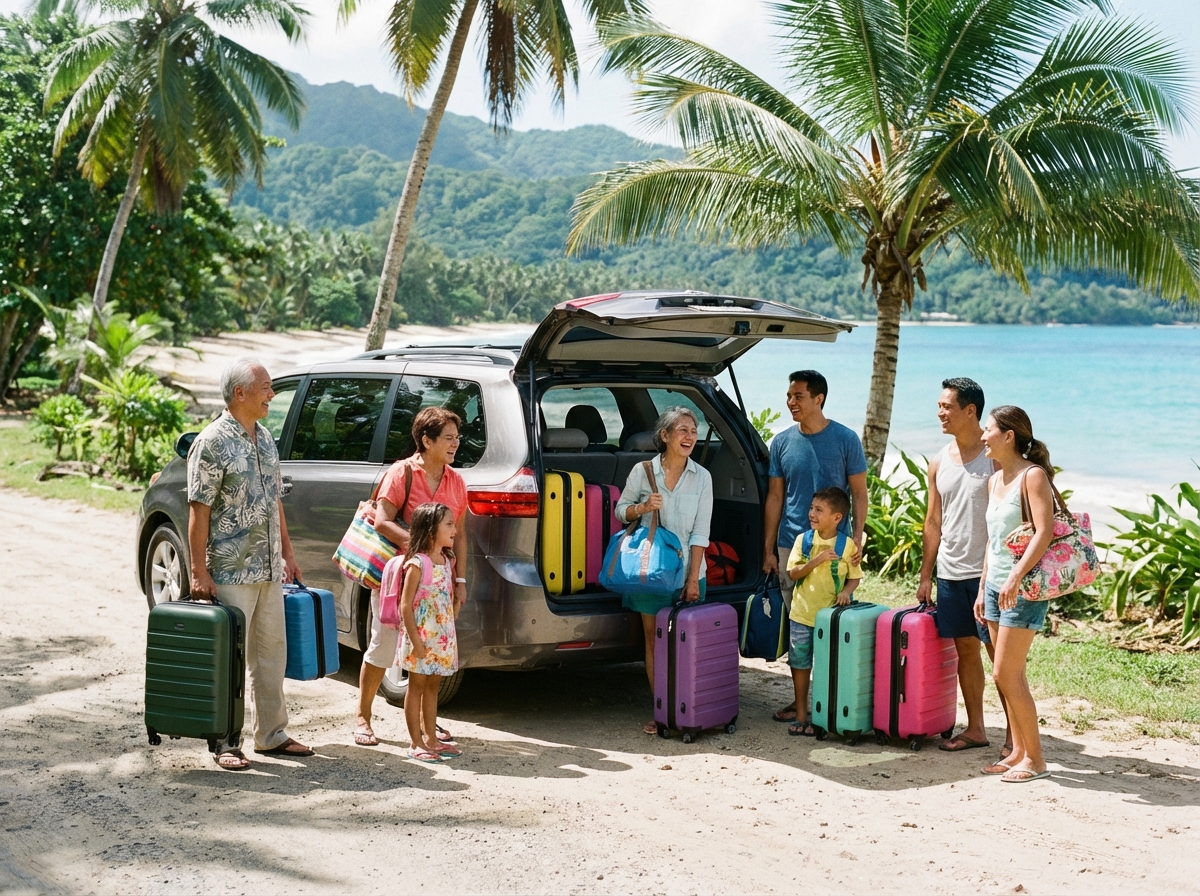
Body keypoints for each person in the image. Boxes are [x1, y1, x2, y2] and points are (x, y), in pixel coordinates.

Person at [187, 357, 312, 771]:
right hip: (231, 570)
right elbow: (198, 510)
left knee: (271, 655)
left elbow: (275, 501)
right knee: (231, 660)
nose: (272, 395)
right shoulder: (211, 442)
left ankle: (271, 735)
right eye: (265, 388)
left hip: (268, 569)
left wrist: (288, 555)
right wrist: (198, 571)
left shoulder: (266, 438)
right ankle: (225, 741)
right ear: (239, 393)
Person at [353, 407, 468, 747]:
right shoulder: (402, 472)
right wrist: (422, 547)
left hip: (437, 584)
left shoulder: (456, 481)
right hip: (401, 577)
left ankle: (425, 724)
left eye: (457, 438)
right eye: (448, 438)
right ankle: (363, 716)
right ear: (426, 440)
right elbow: (382, 521)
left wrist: (460, 581)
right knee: (383, 645)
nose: (455, 444)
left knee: (429, 652)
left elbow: (460, 535)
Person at [915, 378, 1011, 755]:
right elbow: (933, 521)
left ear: (970, 411)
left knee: (1000, 658)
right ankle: (976, 729)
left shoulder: (995, 458)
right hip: (951, 573)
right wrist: (926, 575)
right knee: (966, 652)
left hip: (991, 574)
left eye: (947, 407)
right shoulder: (939, 461)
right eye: (939, 406)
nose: (940, 412)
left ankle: (1015, 735)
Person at [765, 370, 868, 723]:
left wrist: (858, 536)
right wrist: (768, 548)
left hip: (837, 551)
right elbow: (775, 497)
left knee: (831, 627)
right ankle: (802, 703)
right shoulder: (781, 442)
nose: (790, 402)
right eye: (789, 396)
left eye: (798, 396)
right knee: (800, 627)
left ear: (818, 398)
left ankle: (827, 701)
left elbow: (859, 493)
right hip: (790, 546)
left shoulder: (846, 439)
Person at [615, 406, 713, 735]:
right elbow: (620, 511)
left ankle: (687, 710)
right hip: (650, 572)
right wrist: (643, 508)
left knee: (687, 644)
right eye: (683, 430)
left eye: (693, 431)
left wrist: (693, 579)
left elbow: (700, 533)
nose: (690, 436)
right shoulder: (642, 471)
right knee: (655, 640)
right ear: (665, 436)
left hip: (688, 571)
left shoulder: (703, 477)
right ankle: (663, 711)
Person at [974, 406, 1058, 783]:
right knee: (1010, 675)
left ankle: (1036, 760)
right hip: (995, 587)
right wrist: (983, 588)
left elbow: (1044, 532)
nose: (982, 436)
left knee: (1005, 673)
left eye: (988, 430)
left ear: (1008, 436)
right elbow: (993, 542)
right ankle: (1019, 752)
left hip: (1023, 590)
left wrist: (1015, 577)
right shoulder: (995, 480)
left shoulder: (1032, 476)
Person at [783, 487, 862, 736]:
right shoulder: (803, 540)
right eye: (811, 508)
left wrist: (846, 592)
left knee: (827, 666)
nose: (811, 514)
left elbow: (854, 577)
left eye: (819, 510)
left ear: (837, 517)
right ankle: (801, 714)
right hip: (801, 614)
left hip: (830, 620)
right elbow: (793, 574)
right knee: (799, 663)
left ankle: (822, 716)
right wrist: (817, 560)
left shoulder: (846, 545)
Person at [393, 502, 464, 763]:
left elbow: (444, 599)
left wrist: (455, 607)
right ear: (431, 529)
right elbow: (405, 605)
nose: (455, 530)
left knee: (433, 685)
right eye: (449, 524)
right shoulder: (417, 564)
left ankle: (432, 739)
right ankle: (416, 742)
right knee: (416, 687)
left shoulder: (446, 560)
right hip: (421, 638)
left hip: (441, 637)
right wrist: (415, 641)